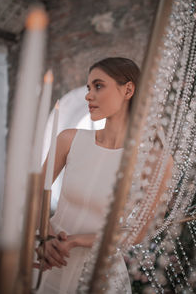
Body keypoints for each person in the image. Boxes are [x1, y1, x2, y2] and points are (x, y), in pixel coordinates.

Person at [35, 57, 172, 293]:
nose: (89, 95)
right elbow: (35, 196)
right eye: (89, 88)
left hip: (100, 275)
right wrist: (46, 238)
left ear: (128, 89)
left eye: (98, 86)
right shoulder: (69, 139)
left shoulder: (155, 159)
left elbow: (140, 231)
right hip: (50, 262)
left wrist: (78, 241)